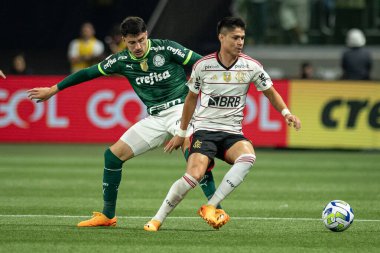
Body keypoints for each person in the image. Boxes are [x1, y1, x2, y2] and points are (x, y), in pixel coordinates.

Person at [27, 16, 228, 227]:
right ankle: (107, 215)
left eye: (141, 40)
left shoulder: (167, 49)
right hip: (156, 117)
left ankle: (217, 210)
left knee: (193, 154)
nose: (138, 46)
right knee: (113, 156)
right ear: (124, 40)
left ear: (146, 35)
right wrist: (53, 89)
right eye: (132, 42)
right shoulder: (121, 60)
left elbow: (204, 64)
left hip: (181, 109)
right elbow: (87, 72)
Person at [144, 16, 301, 232]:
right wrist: (181, 132)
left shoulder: (251, 66)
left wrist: (286, 113)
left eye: (243, 38)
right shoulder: (203, 66)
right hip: (204, 131)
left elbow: (270, 92)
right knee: (194, 176)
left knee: (248, 158)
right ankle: (156, 219)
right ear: (221, 37)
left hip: (231, 133)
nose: (240, 42)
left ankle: (210, 206)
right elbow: (190, 100)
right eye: (235, 37)